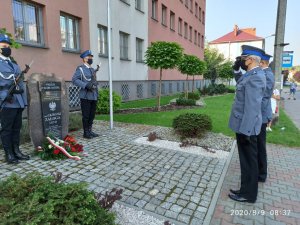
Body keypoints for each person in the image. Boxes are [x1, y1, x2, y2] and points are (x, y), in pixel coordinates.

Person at [228, 45, 266, 203]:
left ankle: (248, 195)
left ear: (250, 60)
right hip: (244, 126)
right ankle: (244, 189)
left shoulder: (256, 76)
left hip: (247, 128)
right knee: (246, 161)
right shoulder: (251, 74)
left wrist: (246, 131)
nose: (242, 62)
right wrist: (237, 70)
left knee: (249, 162)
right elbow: (240, 81)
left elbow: (252, 107)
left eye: (243, 59)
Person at [0, 34, 29, 164]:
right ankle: (9, 154)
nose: (7, 48)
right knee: (7, 129)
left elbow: (21, 84)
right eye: (4, 46)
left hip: (18, 102)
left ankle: (16, 151)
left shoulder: (14, 65)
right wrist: (4, 96)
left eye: (8, 46)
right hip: (7, 102)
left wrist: (24, 102)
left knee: (17, 128)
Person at [72, 50, 99, 139]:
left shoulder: (91, 69)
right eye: (89, 57)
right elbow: (74, 80)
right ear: (84, 59)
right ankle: (86, 133)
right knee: (86, 115)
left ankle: (90, 130)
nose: (91, 58)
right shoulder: (80, 69)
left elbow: (93, 80)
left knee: (92, 115)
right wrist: (85, 85)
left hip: (94, 95)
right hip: (86, 96)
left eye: (91, 57)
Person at [257, 53, 275, 183]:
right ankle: (259, 170)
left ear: (262, 63)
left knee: (260, 145)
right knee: (258, 144)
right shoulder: (265, 73)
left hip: (261, 116)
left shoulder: (267, 75)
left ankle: (262, 174)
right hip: (261, 115)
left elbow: (264, 97)